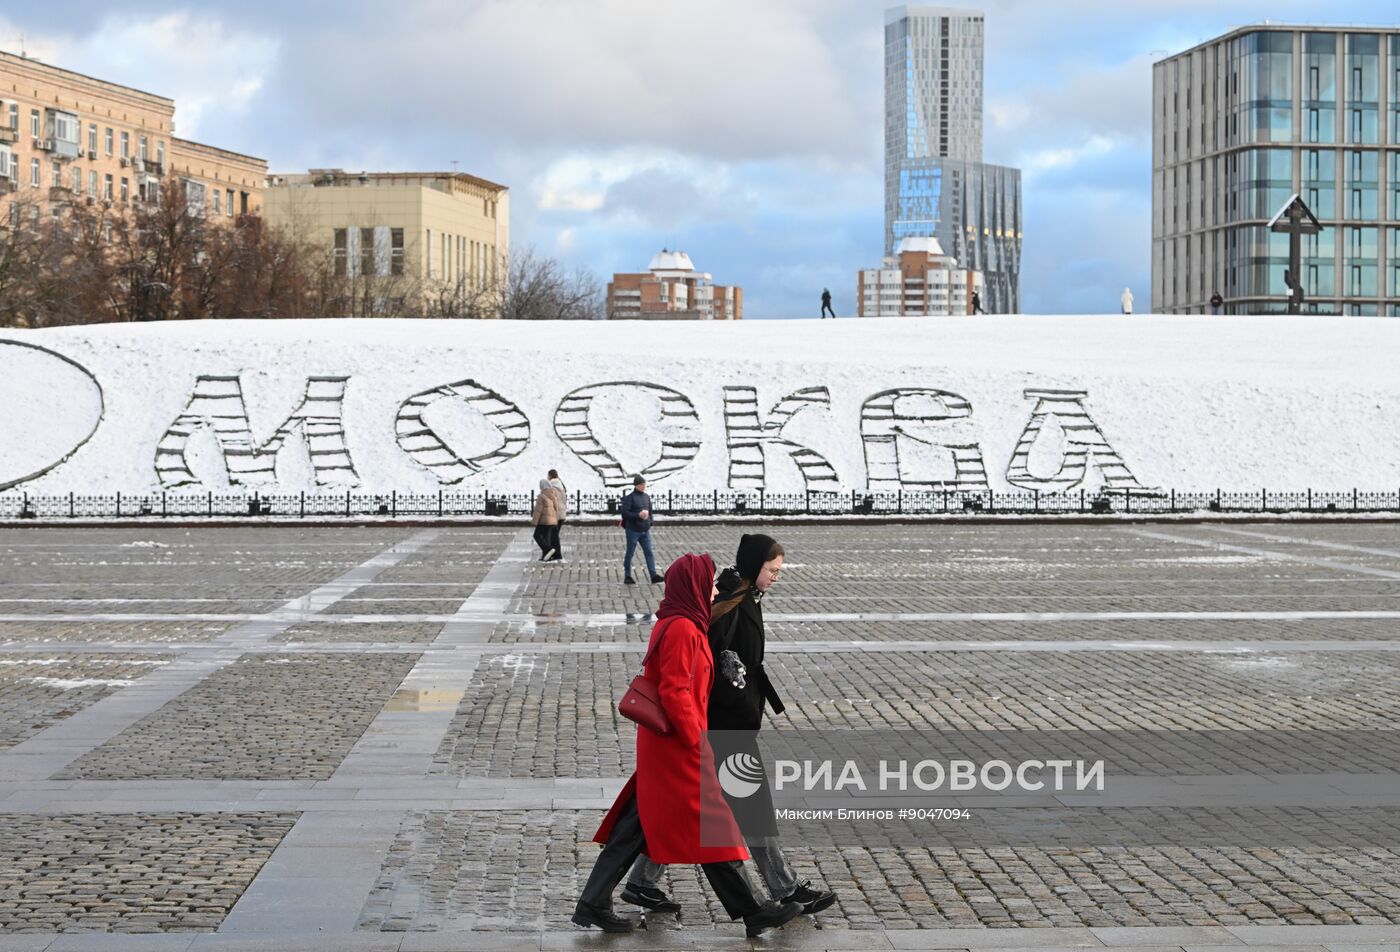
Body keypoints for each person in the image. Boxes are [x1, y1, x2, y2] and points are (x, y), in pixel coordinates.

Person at [573, 553, 804, 937]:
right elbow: (675, 691)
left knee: (637, 826)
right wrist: (696, 738)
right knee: (710, 822)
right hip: (678, 747)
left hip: (665, 746)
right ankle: (753, 910)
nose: (714, 588)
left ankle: (593, 902)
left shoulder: (680, 621)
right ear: (692, 586)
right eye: (709, 582)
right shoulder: (682, 628)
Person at [623, 534, 838, 916]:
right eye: (772, 570)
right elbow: (700, 662)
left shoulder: (745, 597)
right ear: (755, 566)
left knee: (683, 811)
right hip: (723, 727)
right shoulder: (730, 603)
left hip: (732, 722)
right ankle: (784, 890)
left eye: (779, 571)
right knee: (752, 809)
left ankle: (641, 882)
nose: (776, 577)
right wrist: (729, 681)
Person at [621, 475, 662, 585]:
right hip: (633, 530)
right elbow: (625, 513)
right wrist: (638, 515)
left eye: (644, 485)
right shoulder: (630, 498)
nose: (643, 487)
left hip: (645, 530)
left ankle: (653, 575)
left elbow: (651, 511)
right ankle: (627, 576)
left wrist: (650, 522)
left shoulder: (646, 497)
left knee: (649, 552)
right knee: (630, 553)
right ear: (636, 486)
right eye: (641, 485)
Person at [530, 478, 561, 562]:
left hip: (544, 521)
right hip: (552, 521)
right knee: (546, 538)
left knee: (537, 535)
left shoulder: (541, 496)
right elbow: (556, 509)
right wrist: (555, 520)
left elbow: (538, 511)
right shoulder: (553, 494)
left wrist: (534, 521)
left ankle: (548, 549)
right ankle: (546, 556)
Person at [547, 469, 568, 562]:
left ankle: (556, 554)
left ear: (550, 476)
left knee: (552, 535)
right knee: (554, 535)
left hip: (555, 514)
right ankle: (555, 554)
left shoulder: (552, 486)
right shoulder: (561, 485)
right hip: (561, 513)